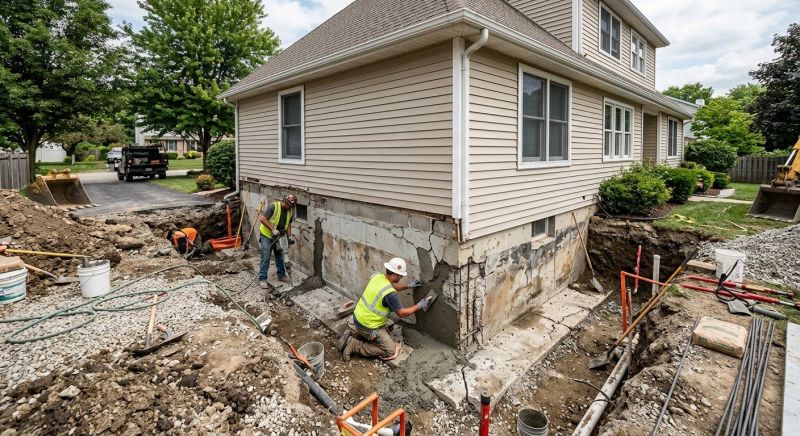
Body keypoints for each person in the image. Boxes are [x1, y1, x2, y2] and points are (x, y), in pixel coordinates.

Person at [338, 257, 432, 361]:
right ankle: (354, 345)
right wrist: (419, 305)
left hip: (358, 318)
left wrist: (408, 286)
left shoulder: (377, 276)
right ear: (394, 275)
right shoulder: (391, 295)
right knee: (390, 351)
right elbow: (402, 313)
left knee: (385, 331)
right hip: (368, 325)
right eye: (400, 276)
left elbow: (391, 286)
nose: (401, 278)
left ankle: (355, 334)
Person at [258, 194, 297, 287]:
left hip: (280, 235)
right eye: (288, 206)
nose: (290, 208)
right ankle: (262, 278)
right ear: (284, 201)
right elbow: (262, 219)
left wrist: (289, 237)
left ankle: (281, 275)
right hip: (267, 235)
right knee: (266, 256)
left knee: (280, 255)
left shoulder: (290, 210)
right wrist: (273, 229)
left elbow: (289, 224)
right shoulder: (273, 206)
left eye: (291, 207)